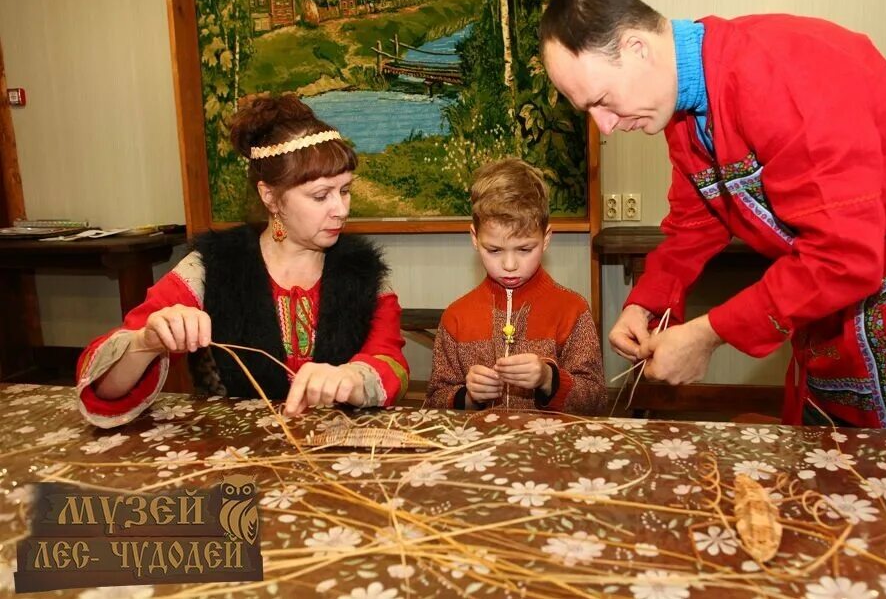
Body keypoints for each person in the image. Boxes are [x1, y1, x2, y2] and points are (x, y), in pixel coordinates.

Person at [540, 0, 886, 431]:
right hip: (838, 335)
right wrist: (648, 300)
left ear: (636, 47)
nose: (604, 126)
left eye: (602, 101)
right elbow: (695, 224)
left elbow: (843, 255)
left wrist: (708, 333)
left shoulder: (779, 72)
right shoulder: (683, 111)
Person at [76, 95, 409, 428]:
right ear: (270, 197)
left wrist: (353, 377)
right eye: (321, 195)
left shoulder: (363, 270)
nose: (341, 209)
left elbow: (390, 361)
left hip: (338, 452)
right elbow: (102, 389)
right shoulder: (211, 268)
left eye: (346, 190)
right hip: (234, 457)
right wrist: (144, 342)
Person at [425, 158, 606, 414]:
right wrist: (468, 396)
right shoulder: (457, 317)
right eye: (494, 250)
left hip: (548, 450)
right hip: (480, 451)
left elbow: (596, 402)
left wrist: (548, 379)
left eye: (524, 249)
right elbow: (434, 401)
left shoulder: (572, 310)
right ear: (475, 239)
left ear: (546, 239)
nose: (509, 264)